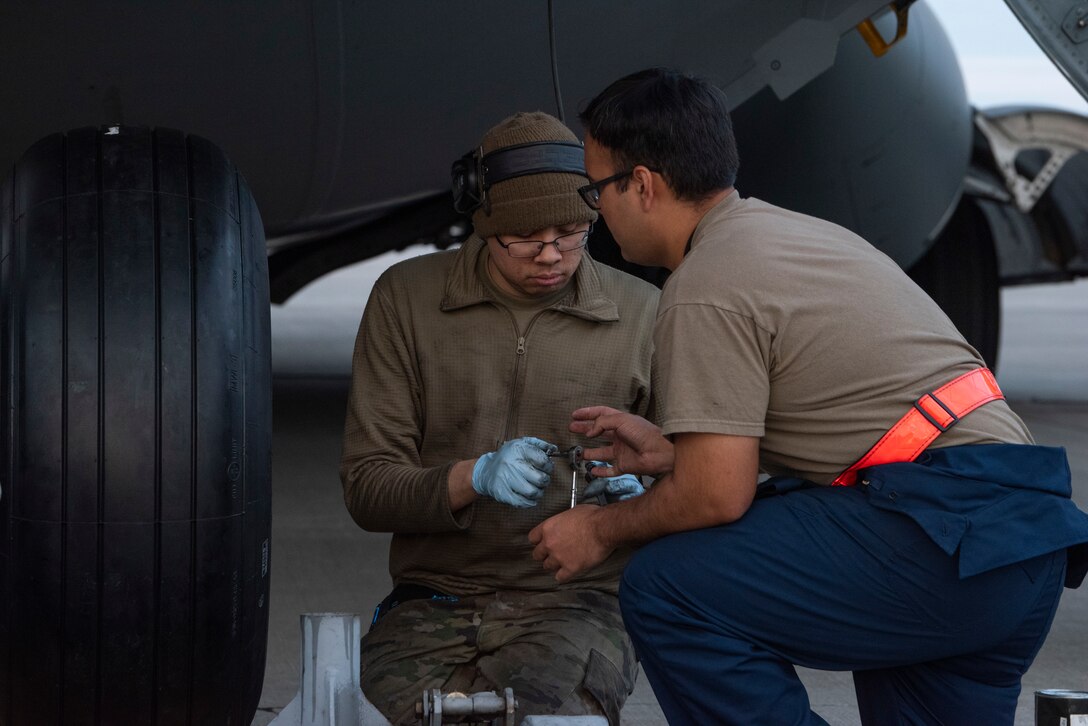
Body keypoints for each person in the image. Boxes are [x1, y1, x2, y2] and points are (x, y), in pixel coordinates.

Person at [528, 68, 1088, 725]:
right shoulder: (798, 236)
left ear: (643, 184)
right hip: (1020, 551)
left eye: (598, 190)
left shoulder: (707, 281)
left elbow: (717, 496)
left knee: (668, 586)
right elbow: (859, 417)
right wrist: (675, 455)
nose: (597, 212)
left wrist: (597, 529)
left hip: (941, 542)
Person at [339, 111, 660, 725]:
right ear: (484, 228)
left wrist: (639, 502)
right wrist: (469, 477)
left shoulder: (643, 314)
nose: (551, 257)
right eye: (525, 238)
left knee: (559, 717)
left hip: (579, 600)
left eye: (571, 235)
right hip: (432, 596)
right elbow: (366, 488)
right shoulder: (406, 300)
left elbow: (700, 476)